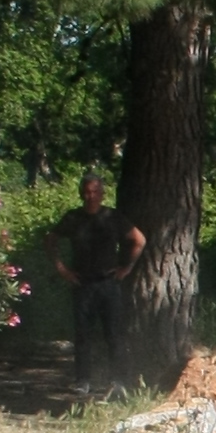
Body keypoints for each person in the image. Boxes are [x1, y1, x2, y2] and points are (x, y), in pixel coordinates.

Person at [50, 169, 145, 394]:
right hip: (83, 283)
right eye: (86, 192)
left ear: (102, 194)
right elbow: (50, 239)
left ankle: (118, 381)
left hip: (108, 283)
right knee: (83, 335)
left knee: (114, 334)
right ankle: (83, 381)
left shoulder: (113, 217)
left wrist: (127, 267)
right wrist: (61, 268)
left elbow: (139, 240)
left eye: (95, 191)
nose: (90, 196)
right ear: (81, 194)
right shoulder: (73, 218)